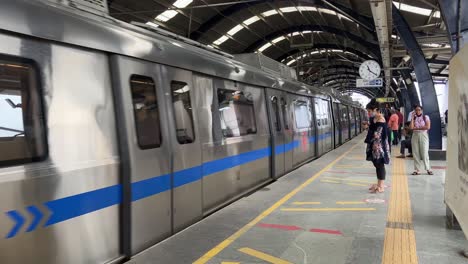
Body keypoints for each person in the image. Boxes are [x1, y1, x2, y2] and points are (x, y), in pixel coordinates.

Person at [365, 100, 390, 193]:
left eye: (369, 111)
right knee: (376, 164)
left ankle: (381, 186)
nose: (368, 113)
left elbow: (377, 135)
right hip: (374, 144)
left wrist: (368, 128)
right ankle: (379, 184)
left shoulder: (381, 120)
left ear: (376, 109)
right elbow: (373, 131)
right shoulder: (374, 119)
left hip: (379, 146)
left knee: (379, 164)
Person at [410, 105, 433, 175]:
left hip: (423, 135)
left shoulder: (425, 117)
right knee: (415, 152)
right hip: (415, 136)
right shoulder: (413, 118)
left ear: (422, 110)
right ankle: (417, 169)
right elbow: (411, 127)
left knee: (425, 152)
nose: (418, 111)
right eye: (416, 110)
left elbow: (428, 127)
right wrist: (412, 118)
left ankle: (428, 168)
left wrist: (416, 128)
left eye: (419, 110)